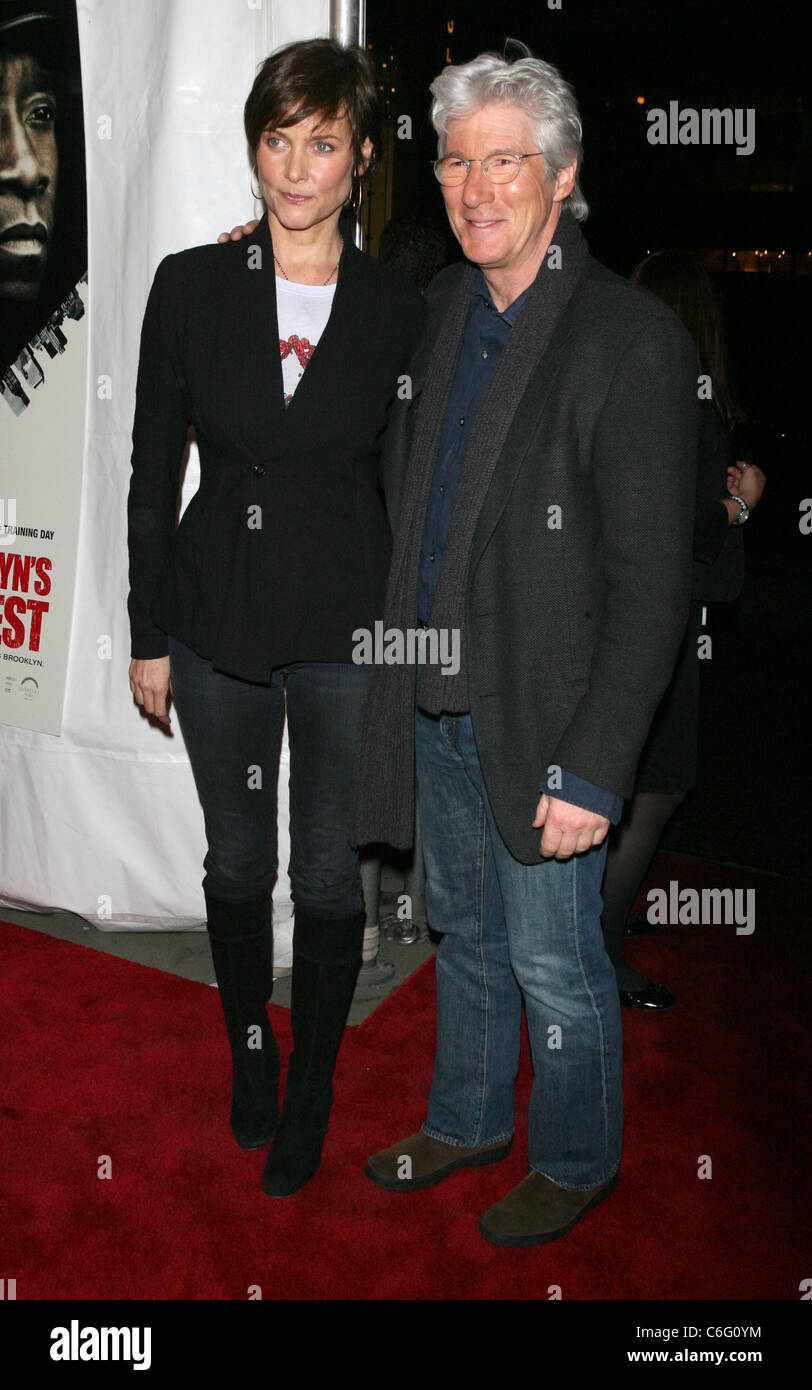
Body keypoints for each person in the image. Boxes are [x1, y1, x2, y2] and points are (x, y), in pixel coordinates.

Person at [349, 47, 700, 1247]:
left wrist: (597, 765)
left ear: (560, 178)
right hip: (439, 705)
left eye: (504, 161)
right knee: (463, 936)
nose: (474, 187)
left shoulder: (629, 339)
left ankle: (572, 1154)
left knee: (557, 965)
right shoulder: (440, 309)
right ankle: (464, 1120)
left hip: (551, 727)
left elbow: (653, 584)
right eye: (455, 161)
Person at [127, 38, 425, 1198]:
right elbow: (155, 469)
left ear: (358, 162)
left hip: (346, 625)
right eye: (277, 137)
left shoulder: (399, 309)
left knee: (332, 875)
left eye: (323, 143)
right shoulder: (191, 286)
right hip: (216, 621)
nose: (296, 167)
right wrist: (147, 630)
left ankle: (314, 1088)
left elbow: (406, 490)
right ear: (254, 145)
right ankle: (253, 1048)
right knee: (239, 855)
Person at [601, 249, 766, 1009]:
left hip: (626, 615)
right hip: (660, 625)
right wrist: (742, 505)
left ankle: (598, 917)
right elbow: (689, 528)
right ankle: (595, 946)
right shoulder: (684, 399)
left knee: (630, 786)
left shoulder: (630, 384)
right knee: (659, 786)